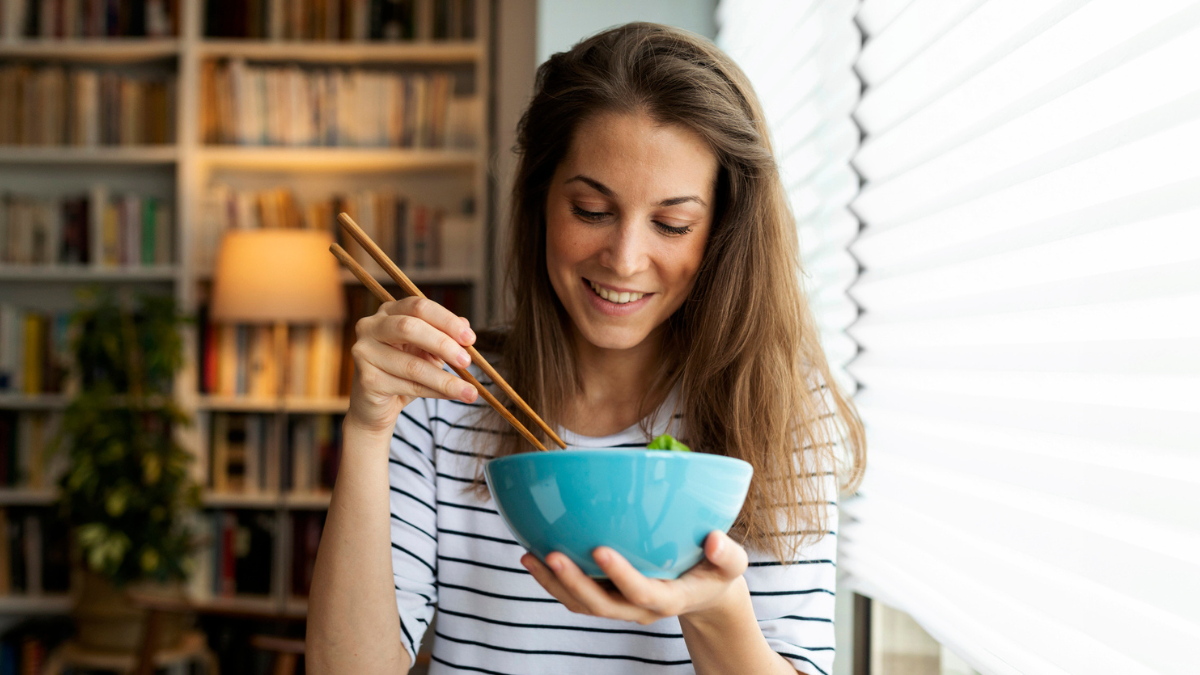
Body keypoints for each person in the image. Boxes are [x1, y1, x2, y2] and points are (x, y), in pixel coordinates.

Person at [307, 22, 866, 675]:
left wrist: (716, 609)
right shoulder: (444, 395)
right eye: (592, 210)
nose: (625, 258)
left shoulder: (781, 413)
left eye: (672, 223)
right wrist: (369, 427)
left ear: (722, 231)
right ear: (542, 201)